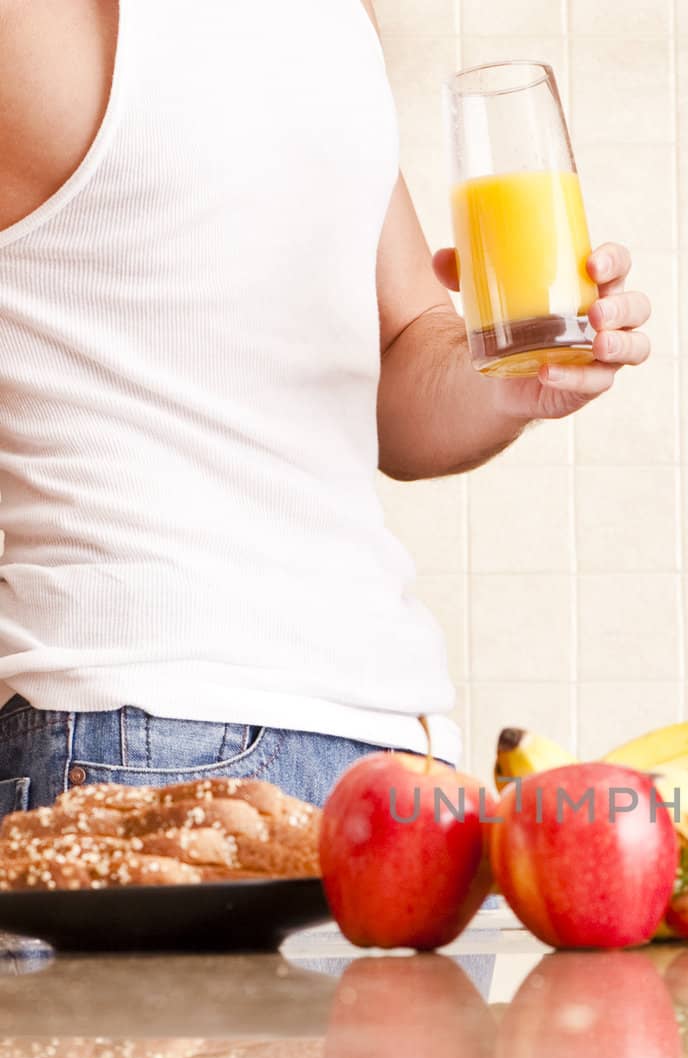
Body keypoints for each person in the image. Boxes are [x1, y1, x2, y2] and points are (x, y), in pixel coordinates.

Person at [0, 0, 651, 814]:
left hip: (398, 742)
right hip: (142, 720)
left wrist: (511, 377)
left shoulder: (337, 12)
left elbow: (402, 352)